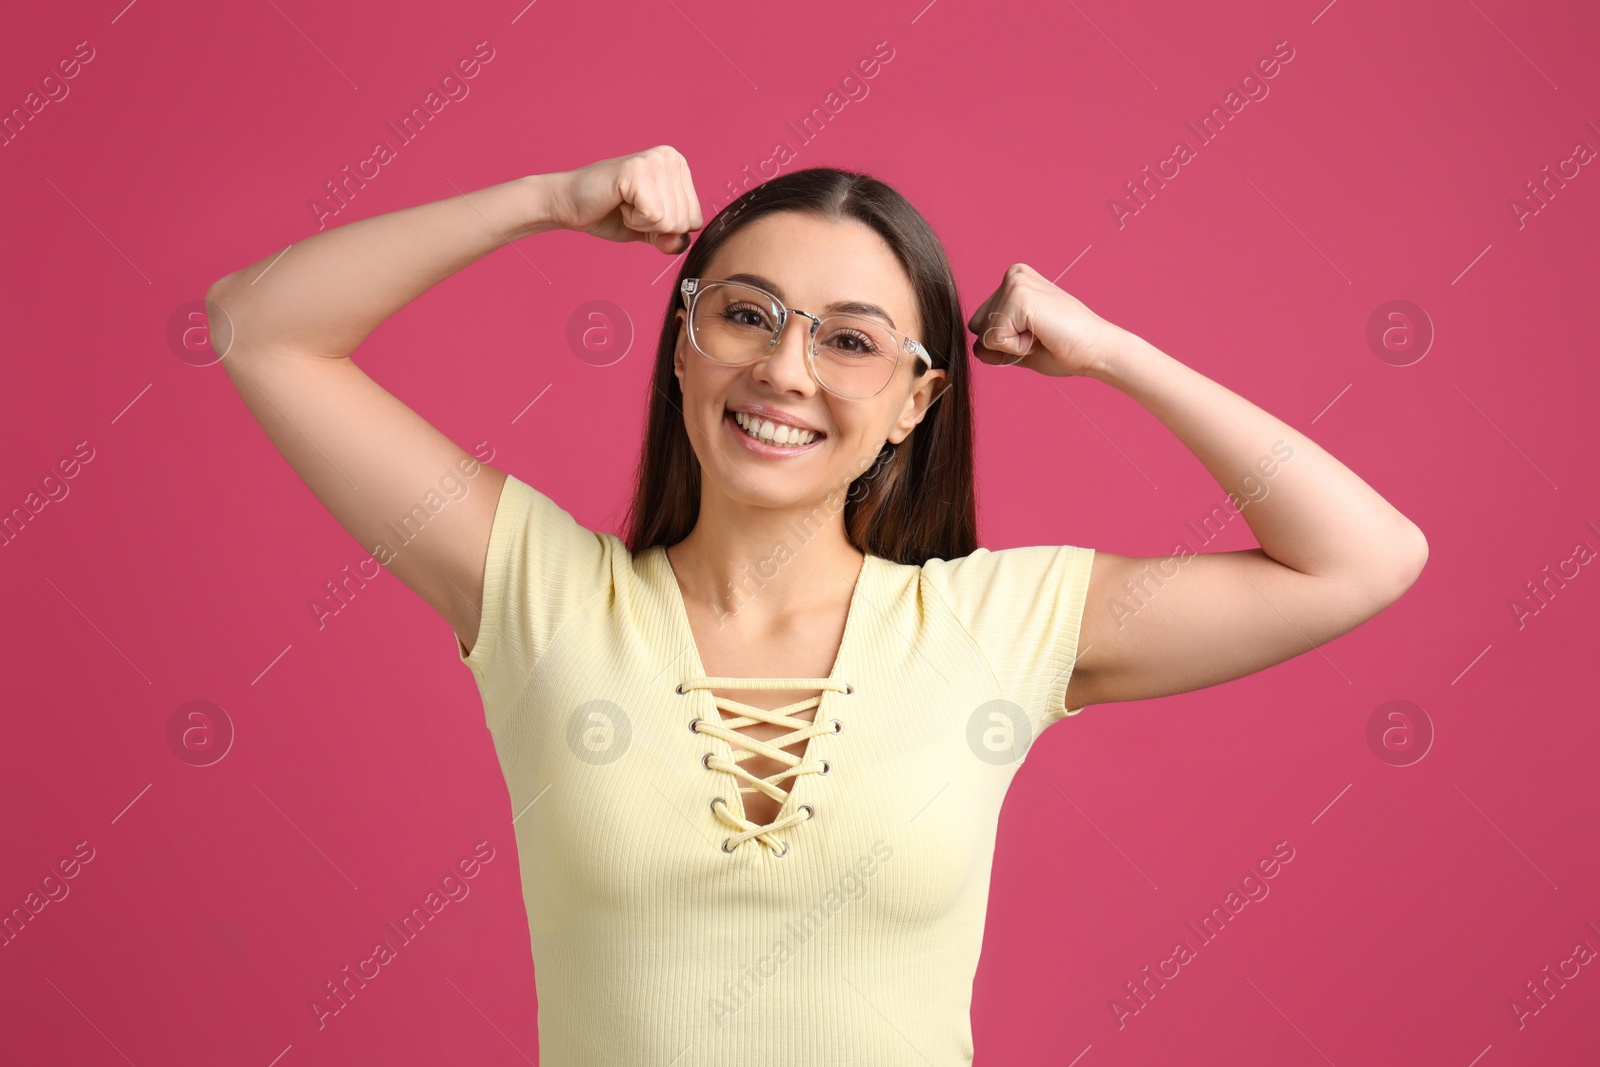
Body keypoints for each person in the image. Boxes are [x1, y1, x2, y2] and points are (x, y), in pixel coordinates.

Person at [206, 145, 1427, 1065]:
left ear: (913, 401)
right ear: (682, 344)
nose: (783, 368)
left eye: (851, 341)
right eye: (746, 313)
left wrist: (1110, 351)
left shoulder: (1000, 623)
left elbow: (1360, 557)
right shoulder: (537, 592)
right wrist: (553, 201)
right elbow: (262, 328)